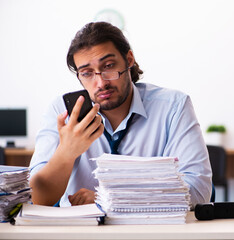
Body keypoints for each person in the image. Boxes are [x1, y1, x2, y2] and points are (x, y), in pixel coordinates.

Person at [29, 22, 212, 208]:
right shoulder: (62, 112)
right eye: (87, 73)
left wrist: (108, 200)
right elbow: (36, 198)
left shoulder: (173, 107)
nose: (100, 82)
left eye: (109, 66)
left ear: (129, 59)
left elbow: (198, 191)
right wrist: (66, 153)